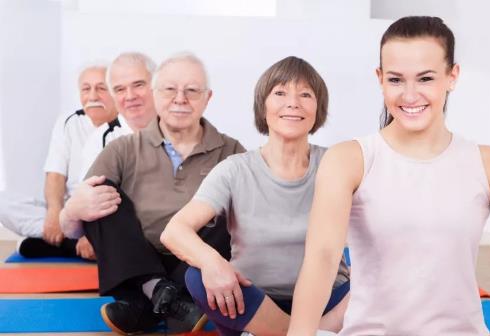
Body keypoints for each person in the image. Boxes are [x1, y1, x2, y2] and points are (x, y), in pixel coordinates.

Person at [287, 16, 490, 336]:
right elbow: (322, 258)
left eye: (425, 78)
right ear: (380, 78)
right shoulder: (349, 159)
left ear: (452, 76)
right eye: (396, 80)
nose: (410, 95)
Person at [161, 56, 350, 336]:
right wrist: (214, 263)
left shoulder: (337, 163)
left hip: (328, 302)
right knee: (197, 276)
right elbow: (174, 232)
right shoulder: (234, 170)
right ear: (263, 107)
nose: (293, 103)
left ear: (318, 109)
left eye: (305, 94)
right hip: (253, 304)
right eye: (280, 93)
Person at [60, 52, 245, 334]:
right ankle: (164, 295)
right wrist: (73, 209)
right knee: (101, 194)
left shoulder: (231, 151)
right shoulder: (122, 149)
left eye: (192, 90)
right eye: (170, 89)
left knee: (232, 209)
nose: (180, 98)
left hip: (196, 261)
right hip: (138, 259)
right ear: (156, 95)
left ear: (207, 98)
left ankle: (145, 307)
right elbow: (72, 228)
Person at [0, 63, 117, 260]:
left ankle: (63, 244)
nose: (93, 96)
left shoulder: (125, 127)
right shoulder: (69, 122)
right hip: (69, 213)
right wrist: (55, 214)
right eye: (86, 89)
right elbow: (55, 173)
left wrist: (92, 231)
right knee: (4, 204)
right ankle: (71, 242)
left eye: (101, 88)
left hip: (105, 215)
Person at [79, 51, 158, 179]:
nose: (130, 96)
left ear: (157, 85)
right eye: (120, 89)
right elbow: (90, 195)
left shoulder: (181, 129)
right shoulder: (100, 141)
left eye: (138, 85)